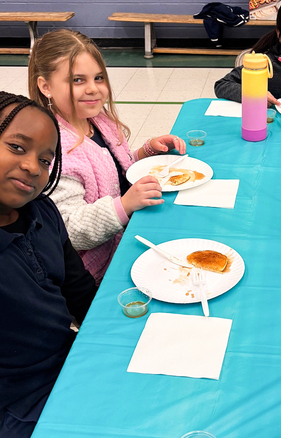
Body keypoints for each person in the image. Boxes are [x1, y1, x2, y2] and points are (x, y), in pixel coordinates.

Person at [28, 30, 185, 283]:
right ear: (46, 86)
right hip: (95, 272)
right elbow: (69, 228)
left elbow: (112, 170)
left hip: (126, 237)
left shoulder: (97, 121)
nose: (93, 89)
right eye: (77, 80)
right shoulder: (55, 151)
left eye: (98, 77)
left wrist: (147, 152)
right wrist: (124, 205)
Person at [0, 92, 97, 438]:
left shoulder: (42, 211)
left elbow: (79, 291)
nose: (32, 167)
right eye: (16, 147)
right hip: (13, 408)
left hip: (67, 361)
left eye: (44, 159)